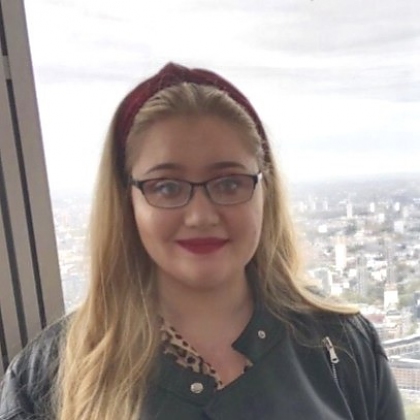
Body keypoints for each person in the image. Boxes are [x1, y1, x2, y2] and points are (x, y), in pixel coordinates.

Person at [0, 63, 404, 420]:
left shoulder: (341, 344)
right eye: (167, 187)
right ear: (128, 202)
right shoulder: (50, 376)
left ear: (267, 192)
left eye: (229, 182)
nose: (201, 215)